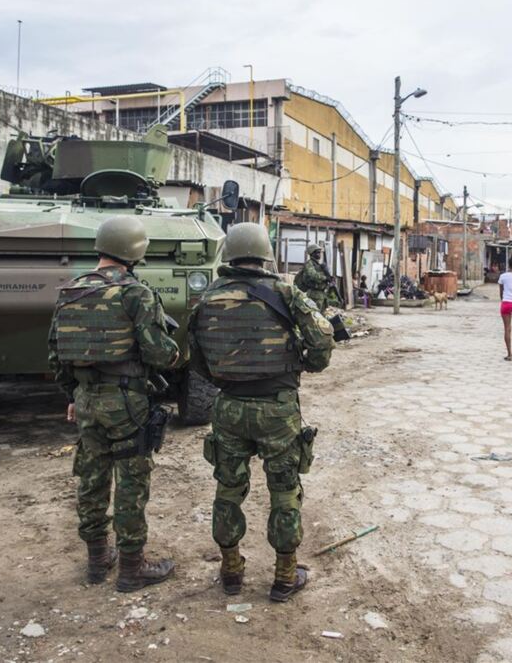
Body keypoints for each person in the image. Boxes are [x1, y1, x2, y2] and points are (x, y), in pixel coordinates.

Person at [189, 223, 335, 603]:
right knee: (284, 492)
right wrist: (307, 364)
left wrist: (226, 377)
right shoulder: (284, 291)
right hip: (277, 407)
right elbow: (321, 337)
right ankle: (285, 577)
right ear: (265, 254)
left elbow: (196, 358)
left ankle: (231, 571)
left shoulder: (207, 298)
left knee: (228, 489)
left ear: (229, 255)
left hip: (229, 407)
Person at [48, 215, 180, 592]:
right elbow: (158, 353)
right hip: (126, 402)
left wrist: (74, 394)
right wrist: (173, 353)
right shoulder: (136, 293)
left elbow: (55, 355)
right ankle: (132, 569)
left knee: (91, 479)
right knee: (130, 483)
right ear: (135, 251)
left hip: (87, 401)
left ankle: (96, 560)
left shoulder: (70, 292)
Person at [294, 243, 331, 311]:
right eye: (317, 253)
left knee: (322, 316)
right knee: (315, 314)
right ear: (312, 253)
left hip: (321, 294)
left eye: (320, 253)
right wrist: (325, 278)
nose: (319, 254)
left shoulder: (318, 264)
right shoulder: (309, 264)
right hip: (314, 294)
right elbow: (313, 275)